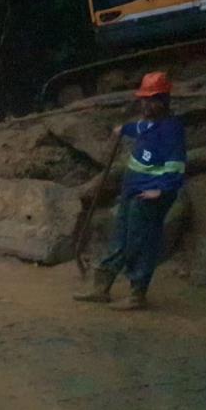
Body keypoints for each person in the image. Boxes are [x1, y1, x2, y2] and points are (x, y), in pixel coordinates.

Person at [74, 71, 186, 311]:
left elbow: (176, 166)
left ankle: (137, 294)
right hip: (132, 189)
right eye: (143, 99)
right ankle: (101, 288)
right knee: (120, 237)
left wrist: (162, 190)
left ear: (162, 101)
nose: (144, 104)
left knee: (139, 242)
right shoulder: (149, 124)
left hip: (150, 194)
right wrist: (123, 128)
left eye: (149, 100)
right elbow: (139, 128)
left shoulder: (171, 129)